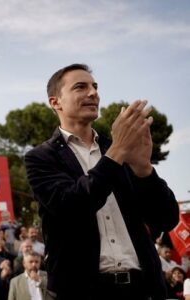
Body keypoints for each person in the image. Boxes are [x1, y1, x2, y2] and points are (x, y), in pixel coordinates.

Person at [24, 63, 179, 299]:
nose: (93, 93)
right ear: (55, 102)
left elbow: (166, 218)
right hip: (83, 291)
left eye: (95, 87)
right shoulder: (40, 158)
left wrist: (144, 169)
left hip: (144, 288)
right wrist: (117, 152)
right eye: (80, 87)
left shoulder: (120, 149)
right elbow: (72, 205)